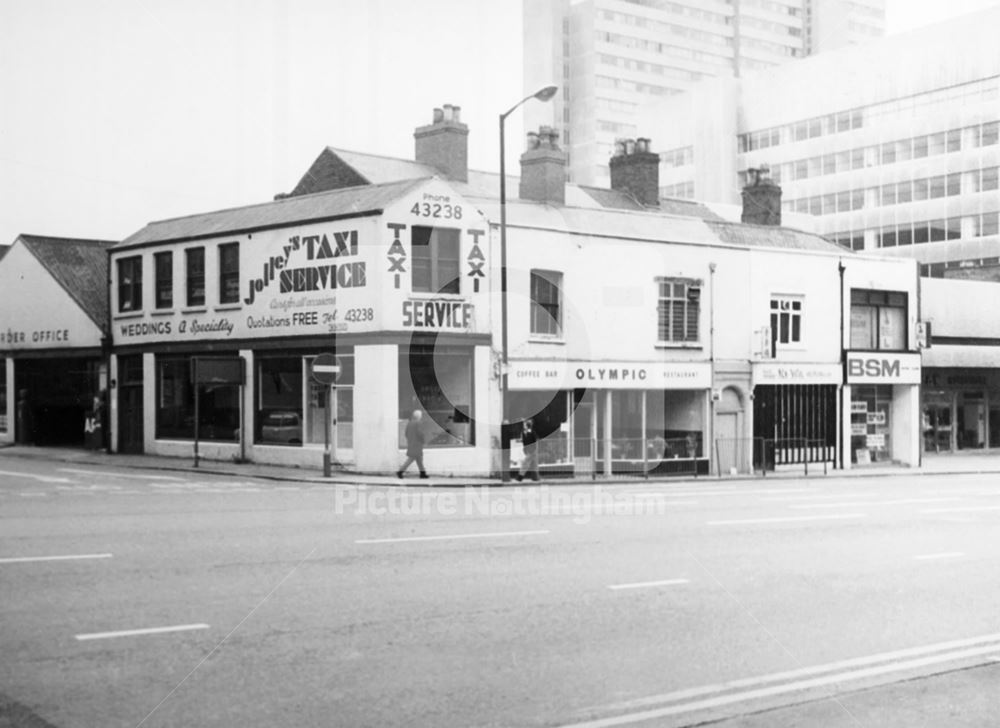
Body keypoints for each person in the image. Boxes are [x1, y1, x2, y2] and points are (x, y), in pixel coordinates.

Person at [397, 410, 428, 479]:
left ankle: (423, 473)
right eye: (421, 415)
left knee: (419, 459)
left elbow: (406, 433)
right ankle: (400, 471)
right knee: (411, 459)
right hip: (417, 444)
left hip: (411, 443)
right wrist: (423, 441)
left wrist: (410, 440)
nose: (421, 416)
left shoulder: (410, 423)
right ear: (418, 416)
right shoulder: (418, 423)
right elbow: (420, 434)